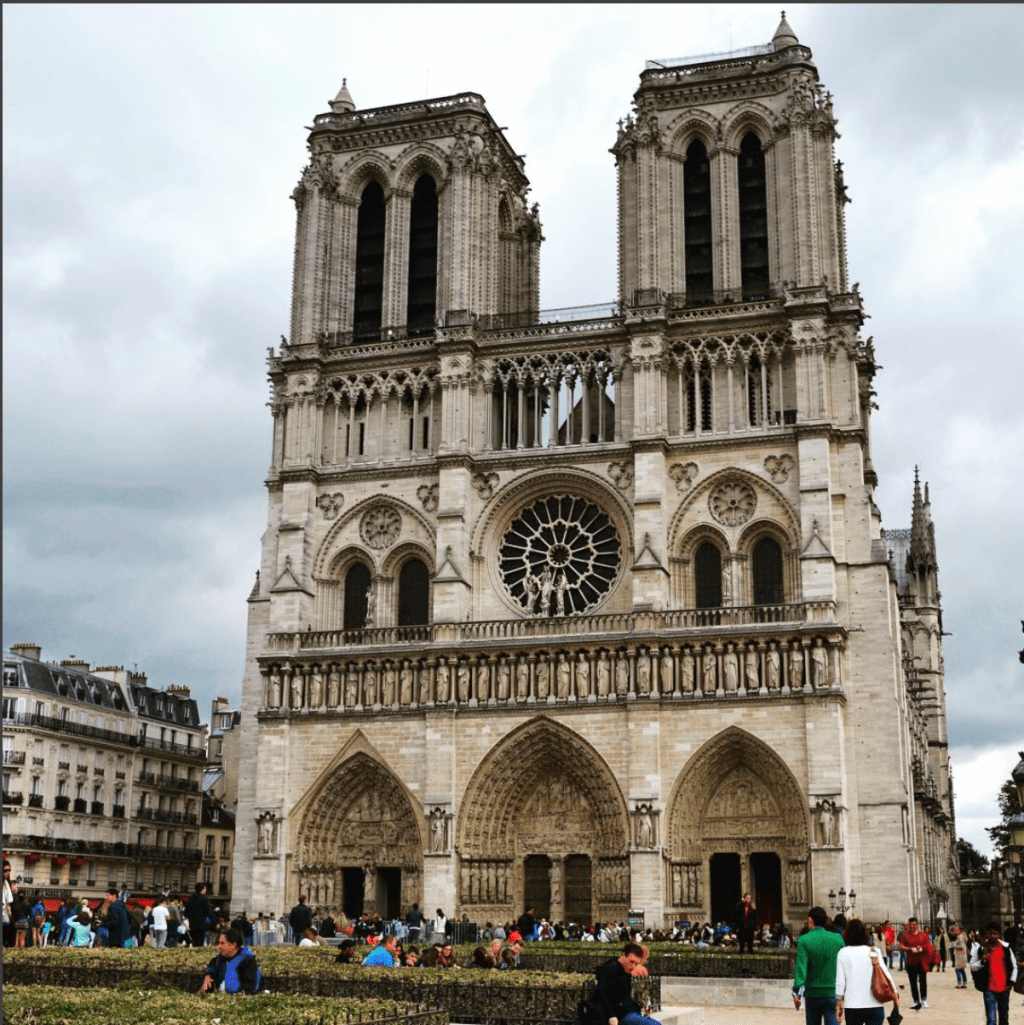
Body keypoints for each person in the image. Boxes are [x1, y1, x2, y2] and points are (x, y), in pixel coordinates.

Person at [835, 917, 897, 1025]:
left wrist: (838, 1001)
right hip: (874, 1003)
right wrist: (895, 994)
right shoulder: (874, 951)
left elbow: (840, 981)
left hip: (853, 1005)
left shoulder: (843, 953)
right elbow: (887, 975)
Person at [793, 906, 845, 1025]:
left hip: (813, 992)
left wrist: (797, 992)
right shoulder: (838, 939)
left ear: (811, 920)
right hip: (832, 991)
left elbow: (801, 968)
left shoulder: (804, 940)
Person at [593, 941, 660, 1025]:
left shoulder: (625, 972)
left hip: (627, 1012)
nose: (633, 966)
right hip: (619, 1015)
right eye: (631, 962)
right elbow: (604, 994)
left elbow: (626, 997)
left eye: (636, 963)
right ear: (624, 955)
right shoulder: (610, 969)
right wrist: (612, 1015)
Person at [970, 921, 1018, 1025]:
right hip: (989, 989)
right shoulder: (980, 949)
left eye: (995, 934)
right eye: (990, 933)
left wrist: (1011, 982)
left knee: (1004, 1019)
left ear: (999, 935)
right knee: (991, 1021)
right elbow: (973, 966)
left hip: (1004, 988)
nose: (993, 936)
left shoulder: (1006, 948)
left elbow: (1014, 966)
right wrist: (982, 962)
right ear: (987, 934)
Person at [199, 927, 262, 995]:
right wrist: (207, 976)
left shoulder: (248, 960)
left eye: (222, 943)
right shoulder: (217, 960)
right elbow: (210, 969)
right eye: (219, 943)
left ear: (233, 944)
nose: (219, 946)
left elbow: (250, 986)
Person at [898, 915, 936, 1010]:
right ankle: (916, 1001)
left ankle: (924, 1000)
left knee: (923, 981)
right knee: (913, 983)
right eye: (910, 924)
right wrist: (909, 949)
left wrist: (921, 948)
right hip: (910, 962)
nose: (912, 926)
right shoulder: (905, 935)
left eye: (913, 924)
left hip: (921, 962)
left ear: (917, 925)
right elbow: (900, 946)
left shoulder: (923, 935)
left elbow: (929, 945)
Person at [185, 883, 212, 947]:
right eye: (205, 888)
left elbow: (186, 912)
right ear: (201, 889)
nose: (205, 890)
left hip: (192, 923)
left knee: (194, 940)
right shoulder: (204, 899)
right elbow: (207, 911)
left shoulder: (191, 898)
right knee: (200, 942)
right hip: (201, 923)